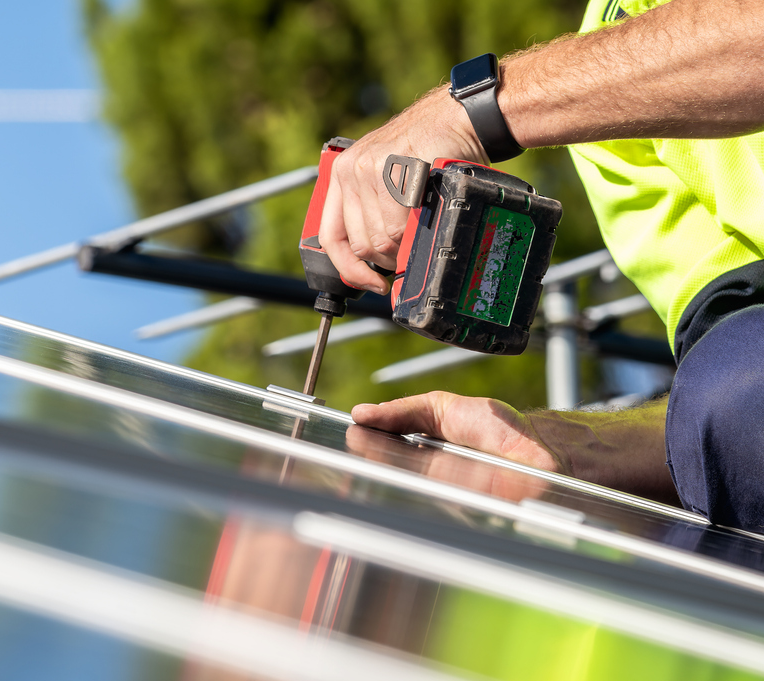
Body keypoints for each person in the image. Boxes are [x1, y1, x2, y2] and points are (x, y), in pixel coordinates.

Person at [320, 0, 764, 530]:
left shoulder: (588, 86)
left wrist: (475, 110)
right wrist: (572, 449)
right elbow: (739, 397)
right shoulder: (611, 63)